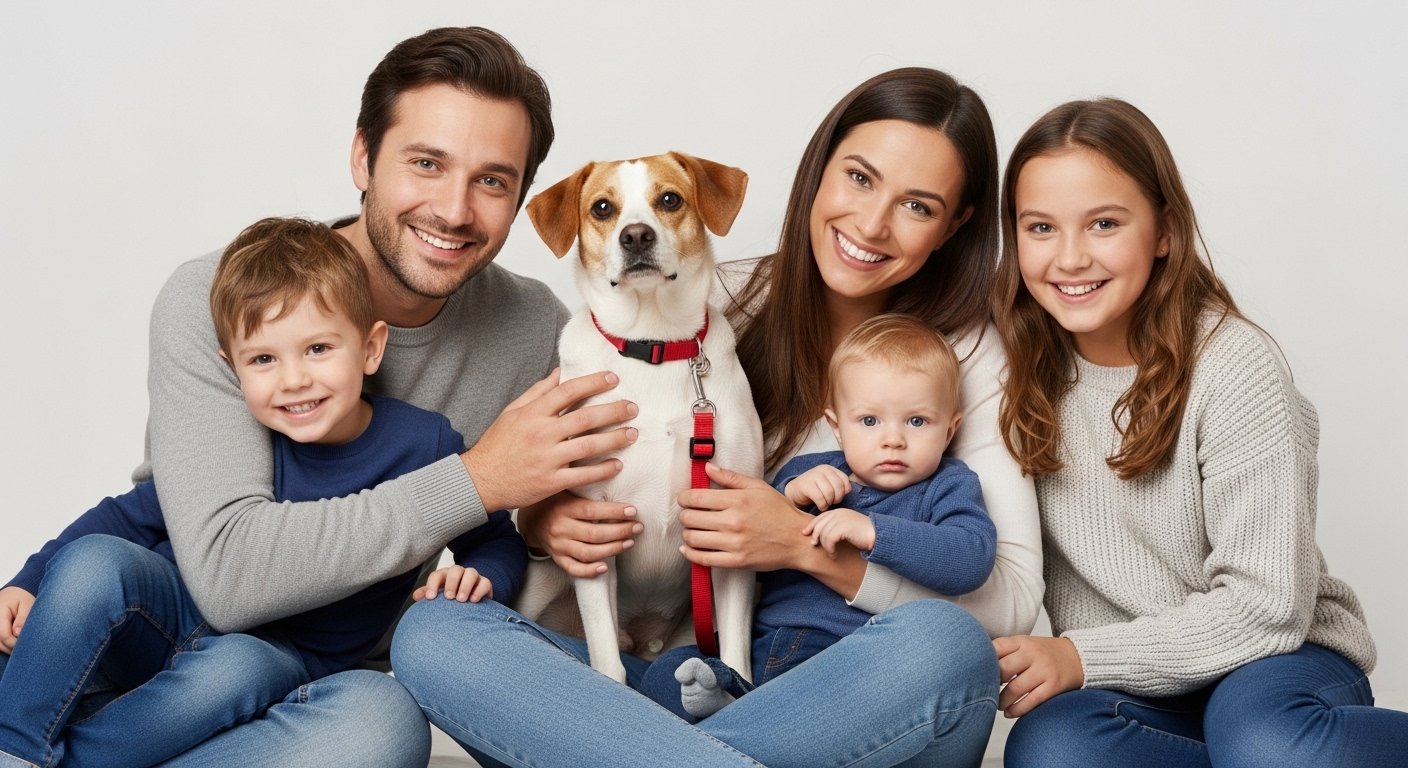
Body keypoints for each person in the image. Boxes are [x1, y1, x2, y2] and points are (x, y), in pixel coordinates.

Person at [392, 66, 1043, 768]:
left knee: (947, 646)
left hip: (847, 691)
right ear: (818, 172)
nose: (872, 223)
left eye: (917, 205)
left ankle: (648, 752)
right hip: (680, 683)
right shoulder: (704, 301)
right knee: (435, 634)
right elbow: (562, 479)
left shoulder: (971, 356)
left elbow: (1009, 602)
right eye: (859, 178)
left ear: (954, 225)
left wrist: (801, 547)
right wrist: (545, 525)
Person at [87, 27, 636, 766]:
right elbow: (230, 576)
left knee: (382, 729)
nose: (454, 210)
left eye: (492, 181)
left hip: (323, 687)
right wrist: (478, 480)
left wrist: (540, 518)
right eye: (426, 164)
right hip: (167, 658)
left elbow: (553, 513)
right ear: (362, 158)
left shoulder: (536, 327)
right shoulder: (215, 298)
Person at [0, 217, 528, 768]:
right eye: (264, 360)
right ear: (233, 369)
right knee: (93, 560)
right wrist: (27, 580)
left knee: (240, 667)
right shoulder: (242, 438)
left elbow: (496, 537)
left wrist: (481, 575)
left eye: (318, 348)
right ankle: (14, 746)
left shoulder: (425, 444)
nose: (293, 380)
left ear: (371, 348)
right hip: (170, 613)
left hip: (282, 660)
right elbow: (127, 516)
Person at [990, 98, 1408, 767]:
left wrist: (1079, 656)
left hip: (1277, 659)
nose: (1069, 257)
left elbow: (1267, 608)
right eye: (1040, 227)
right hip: (1139, 684)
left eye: (1104, 223)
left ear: (1163, 231)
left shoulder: (1233, 366)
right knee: (1053, 750)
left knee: (1263, 739)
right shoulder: (1009, 369)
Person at [640, 312, 997, 722]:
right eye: (869, 421)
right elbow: (751, 549)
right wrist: (789, 497)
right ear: (837, 426)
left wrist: (873, 532)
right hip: (761, 645)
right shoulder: (807, 474)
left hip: (847, 654)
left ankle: (740, 716)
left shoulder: (948, 485)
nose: (893, 439)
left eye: (917, 421)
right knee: (668, 672)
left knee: (813, 692)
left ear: (949, 430)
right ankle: (737, 704)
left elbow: (971, 558)